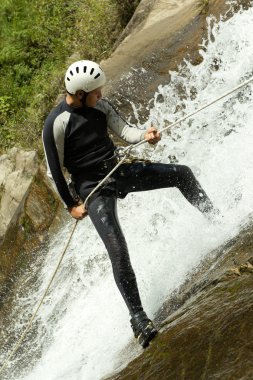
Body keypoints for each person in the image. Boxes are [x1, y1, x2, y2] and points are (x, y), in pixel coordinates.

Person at [43, 60, 215, 348]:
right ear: (82, 93)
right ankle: (138, 318)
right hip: (93, 190)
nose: (101, 95)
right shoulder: (56, 123)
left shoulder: (100, 106)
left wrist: (145, 136)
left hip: (119, 170)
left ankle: (218, 220)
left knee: (182, 174)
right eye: (96, 92)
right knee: (117, 249)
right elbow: (54, 171)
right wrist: (71, 205)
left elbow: (124, 130)